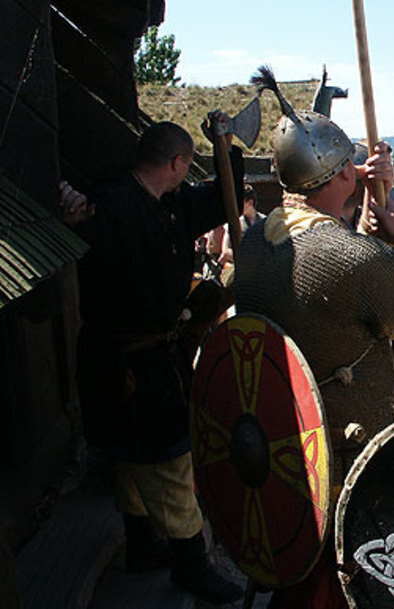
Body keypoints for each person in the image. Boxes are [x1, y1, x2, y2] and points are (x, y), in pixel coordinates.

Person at [231, 89, 394, 608]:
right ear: (346, 173)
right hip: (338, 455)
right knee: (338, 584)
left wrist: (370, 197)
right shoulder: (350, 257)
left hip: (277, 446)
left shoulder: (255, 242)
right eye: (351, 164)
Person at [58, 120, 244, 605]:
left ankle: (141, 543)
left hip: (155, 357)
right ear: (178, 163)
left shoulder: (168, 203)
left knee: (132, 458)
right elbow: (77, 224)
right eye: (189, 165)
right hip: (126, 364)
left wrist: (226, 149)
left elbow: (220, 199)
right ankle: (192, 564)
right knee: (169, 461)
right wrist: (71, 214)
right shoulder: (108, 205)